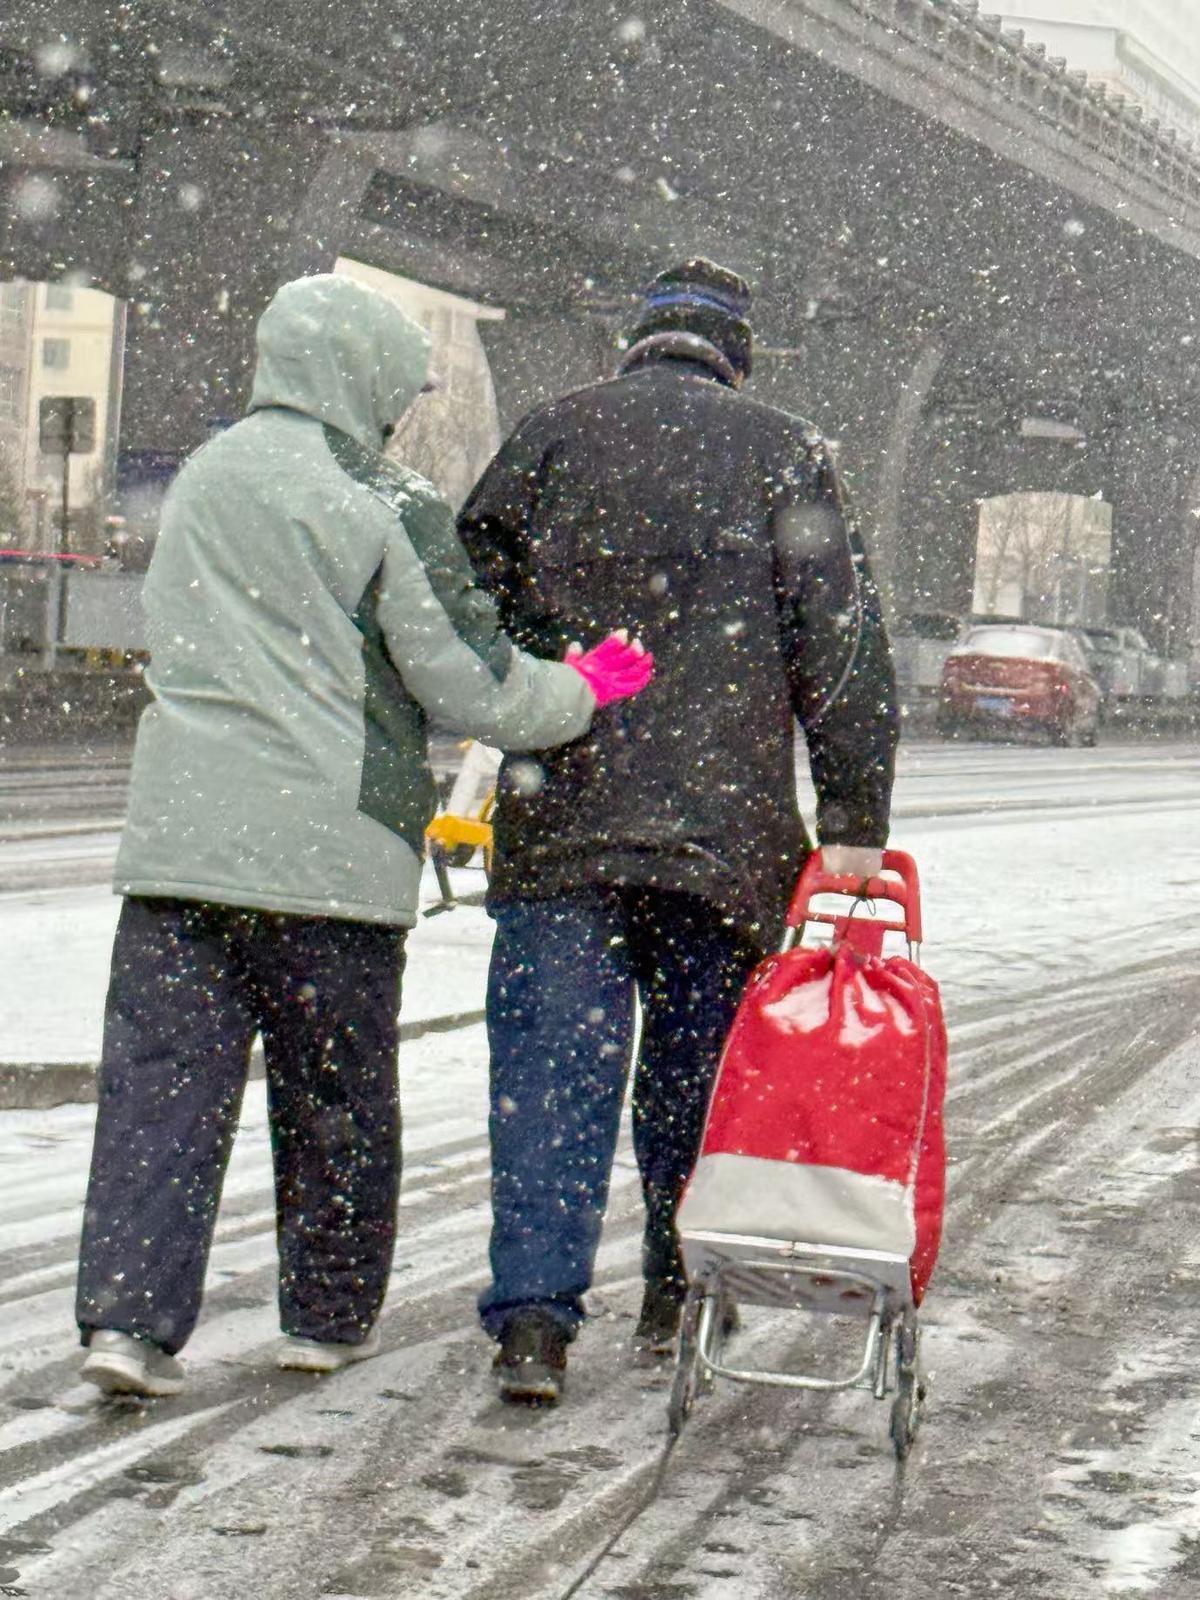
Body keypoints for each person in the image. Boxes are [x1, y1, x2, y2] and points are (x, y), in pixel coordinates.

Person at [75, 273, 652, 1399]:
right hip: (329, 859)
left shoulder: (203, 473)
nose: (400, 408)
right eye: (399, 386)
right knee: (333, 1096)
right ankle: (325, 1315)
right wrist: (581, 688)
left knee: (159, 1095)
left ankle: (127, 1324)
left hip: (178, 847)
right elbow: (469, 680)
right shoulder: (386, 498)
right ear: (366, 380)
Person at [458, 258, 899, 1404]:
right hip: (726, 839)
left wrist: (537, 687)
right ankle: (678, 1287)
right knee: (699, 1081)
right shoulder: (782, 452)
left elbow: (467, 606)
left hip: (565, 820)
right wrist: (853, 812)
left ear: (635, 342)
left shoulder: (549, 436)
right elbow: (840, 643)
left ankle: (535, 1326)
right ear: (734, 355)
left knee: (551, 1080)